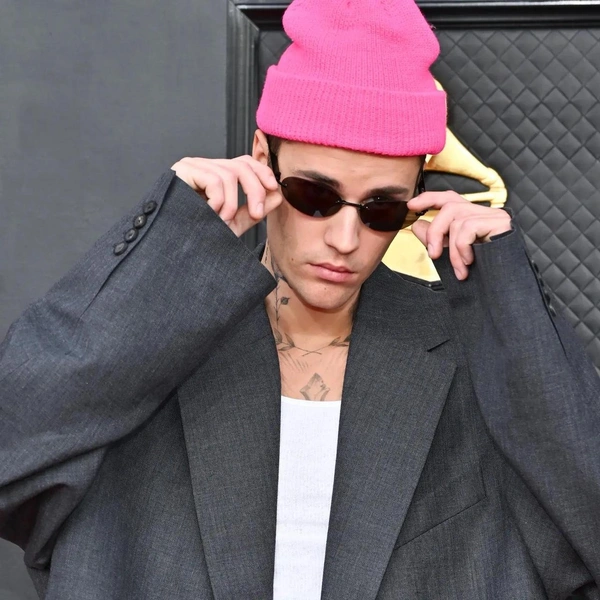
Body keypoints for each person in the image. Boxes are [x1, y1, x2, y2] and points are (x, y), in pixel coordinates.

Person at [1, 0, 600, 598]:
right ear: (263, 159)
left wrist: (511, 301)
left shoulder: (472, 358)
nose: (345, 240)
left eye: (382, 209)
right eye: (316, 197)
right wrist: (166, 244)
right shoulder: (153, 341)